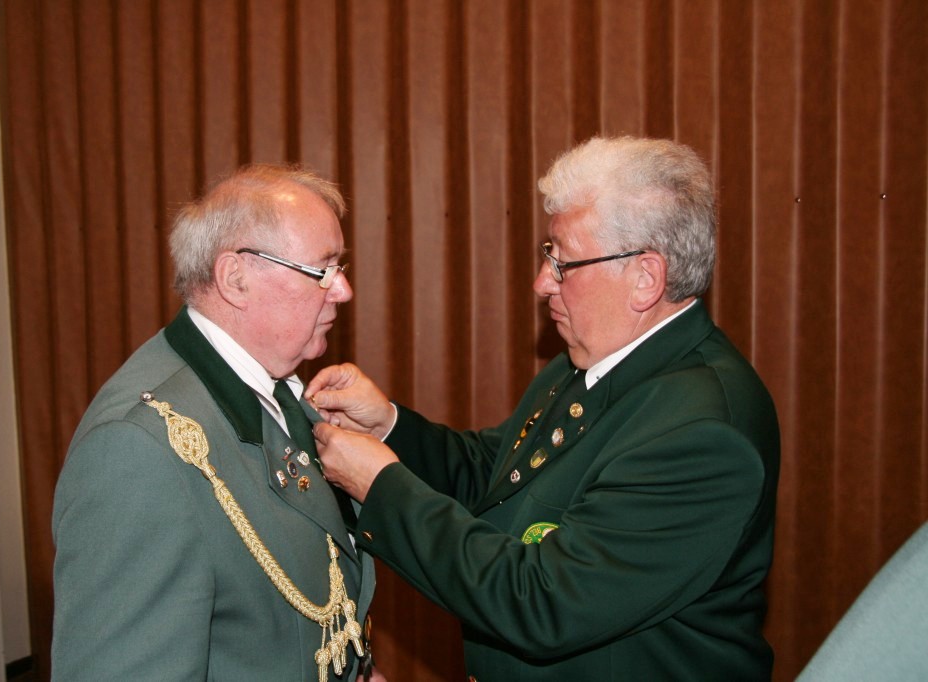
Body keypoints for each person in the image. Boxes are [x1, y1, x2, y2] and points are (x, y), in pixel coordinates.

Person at [306, 136, 781, 681]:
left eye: (563, 262)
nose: (541, 283)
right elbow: (496, 476)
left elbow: (543, 603)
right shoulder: (590, 362)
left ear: (646, 278)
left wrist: (381, 488)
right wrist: (387, 427)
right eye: (547, 254)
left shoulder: (703, 433)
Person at [52, 164, 378, 681]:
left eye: (339, 267)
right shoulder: (137, 449)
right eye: (322, 270)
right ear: (235, 279)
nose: (342, 290)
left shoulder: (276, 387)